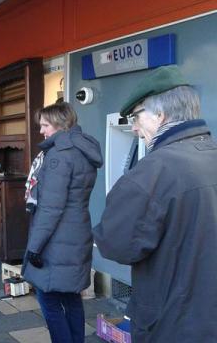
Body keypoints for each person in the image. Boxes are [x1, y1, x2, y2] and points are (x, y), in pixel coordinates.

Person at [93, 65, 217, 342]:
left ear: (160, 114)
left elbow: (115, 244)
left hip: (173, 323)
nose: (134, 128)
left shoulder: (151, 172)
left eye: (136, 117)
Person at [21, 102, 103, 343]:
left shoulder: (59, 155)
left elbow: (50, 208)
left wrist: (34, 247)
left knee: (48, 298)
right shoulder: (83, 149)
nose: (41, 131)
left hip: (56, 239)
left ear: (60, 124)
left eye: (45, 125)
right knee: (70, 296)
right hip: (76, 233)